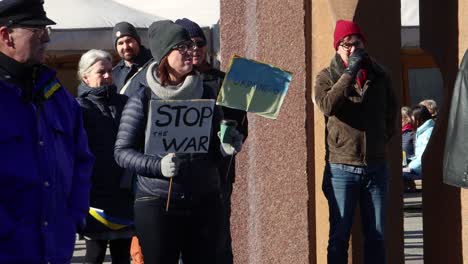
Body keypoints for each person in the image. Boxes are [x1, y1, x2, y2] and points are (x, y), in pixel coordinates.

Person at [114, 20, 244, 264]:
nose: (190, 51)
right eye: (182, 46)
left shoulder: (205, 94)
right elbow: (122, 152)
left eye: (192, 45)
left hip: (205, 199)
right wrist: (157, 166)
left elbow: (212, 149)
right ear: (164, 54)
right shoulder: (142, 98)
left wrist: (226, 147)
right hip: (156, 202)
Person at [0, 0, 94, 263]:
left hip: (54, 249)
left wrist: (74, 215)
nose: (46, 39)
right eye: (37, 30)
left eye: (47, 31)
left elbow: (82, 159)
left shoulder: (56, 96)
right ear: (6, 36)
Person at [314, 20, 398, 264]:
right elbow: (327, 105)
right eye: (345, 44)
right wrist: (349, 73)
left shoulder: (380, 74)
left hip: (375, 168)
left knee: (377, 236)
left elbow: (391, 112)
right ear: (336, 48)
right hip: (341, 168)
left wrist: (380, 140)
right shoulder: (326, 76)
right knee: (339, 237)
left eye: (356, 43)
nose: (351, 49)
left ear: (364, 44)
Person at [175, 17, 248, 264]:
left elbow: (241, 125)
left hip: (219, 172)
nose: (194, 49)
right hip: (183, 173)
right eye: (187, 44)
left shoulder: (225, 79)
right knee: (185, 239)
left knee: (219, 239)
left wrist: (230, 137)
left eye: (199, 43)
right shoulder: (172, 84)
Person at [76, 49, 133, 264]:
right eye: (102, 72)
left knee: (122, 256)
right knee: (94, 254)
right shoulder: (78, 108)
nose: (108, 76)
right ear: (86, 77)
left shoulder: (125, 102)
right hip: (94, 195)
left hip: (122, 191)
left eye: (110, 71)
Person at [112, 21, 152, 96]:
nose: (126, 47)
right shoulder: (115, 73)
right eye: (120, 43)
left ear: (137, 42)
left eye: (129, 41)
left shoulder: (153, 65)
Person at [402, 105, 434, 181]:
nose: (411, 122)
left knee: (396, 174)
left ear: (419, 120)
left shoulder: (428, 133)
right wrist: (409, 161)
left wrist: (408, 167)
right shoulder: (422, 132)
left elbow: (423, 157)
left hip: (422, 171)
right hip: (418, 169)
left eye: (413, 120)